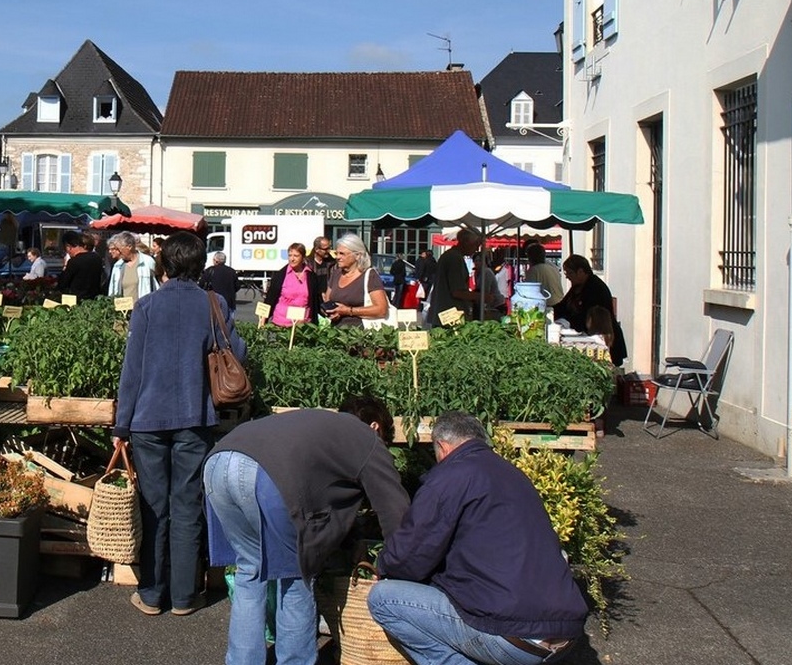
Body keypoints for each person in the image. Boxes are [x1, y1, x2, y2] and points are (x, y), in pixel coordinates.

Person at [368, 411, 588, 665]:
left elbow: (410, 557)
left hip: (514, 636)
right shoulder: (512, 474)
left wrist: (382, 565)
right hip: (565, 632)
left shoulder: (449, 477)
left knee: (384, 598)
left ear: (441, 445)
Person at [204, 397, 410, 665]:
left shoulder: (320, 424)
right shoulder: (367, 438)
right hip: (265, 474)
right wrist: (402, 565)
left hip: (218, 461)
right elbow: (396, 512)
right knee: (296, 577)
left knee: (249, 571)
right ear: (375, 426)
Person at [114, 231, 246, 618]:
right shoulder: (213, 303)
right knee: (188, 504)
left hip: (147, 420)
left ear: (164, 265)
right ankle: (186, 596)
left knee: (154, 506)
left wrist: (121, 427)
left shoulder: (147, 307)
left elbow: (132, 372)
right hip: (195, 416)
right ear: (199, 264)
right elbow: (237, 351)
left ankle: (153, 594)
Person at [552, 255, 627, 366]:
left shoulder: (595, 288)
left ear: (581, 271)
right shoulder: (578, 286)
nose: (567, 277)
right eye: (565, 273)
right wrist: (549, 311)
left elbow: (586, 316)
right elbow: (563, 306)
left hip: (604, 339)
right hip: (589, 336)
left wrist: (567, 321)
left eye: (570, 273)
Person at [322, 233, 390, 327]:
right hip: (336, 334)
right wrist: (331, 312)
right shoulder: (336, 274)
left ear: (357, 255)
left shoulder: (370, 276)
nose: (337, 257)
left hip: (360, 334)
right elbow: (328, 300)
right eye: (336, 253)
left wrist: (349, 311)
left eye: (342, 254)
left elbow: (381, 310)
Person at [425, 230, 484, 327]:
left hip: (443, 314)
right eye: (476, 244)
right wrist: (482, 297)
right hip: (449, 316)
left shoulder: (450, 255)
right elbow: (457, 292)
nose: (477, 248)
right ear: (466, 242)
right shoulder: (454, 258)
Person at [263, 242, 319, 326]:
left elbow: (315, 301)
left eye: (296, 256)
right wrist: (263, 320)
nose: (292, 259)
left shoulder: (311, 276)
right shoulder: (280, 275)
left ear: (303, 257)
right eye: (290, 255)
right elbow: (270, 299)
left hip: (303, 324)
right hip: (282, 323)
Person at [106, 231, 159, 301]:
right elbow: (112, 291)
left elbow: (156, 287)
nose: (118, 252)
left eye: (119, 249)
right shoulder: (117, 266)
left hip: (143, 309)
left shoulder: (148, 262)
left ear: (129, 247)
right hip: (123, 310)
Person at [55, 230, 104, 301]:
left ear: (68, 247)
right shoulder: (97, 258)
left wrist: (65, 266)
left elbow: (62, 284)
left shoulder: (74, 261)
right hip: (94, 298)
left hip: (77, 300)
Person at [522, 241, 565, 306]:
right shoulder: (553, 267)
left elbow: (530, 294)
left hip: (546, 306)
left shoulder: (533, 271)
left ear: (530, 257)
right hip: (560, 303)